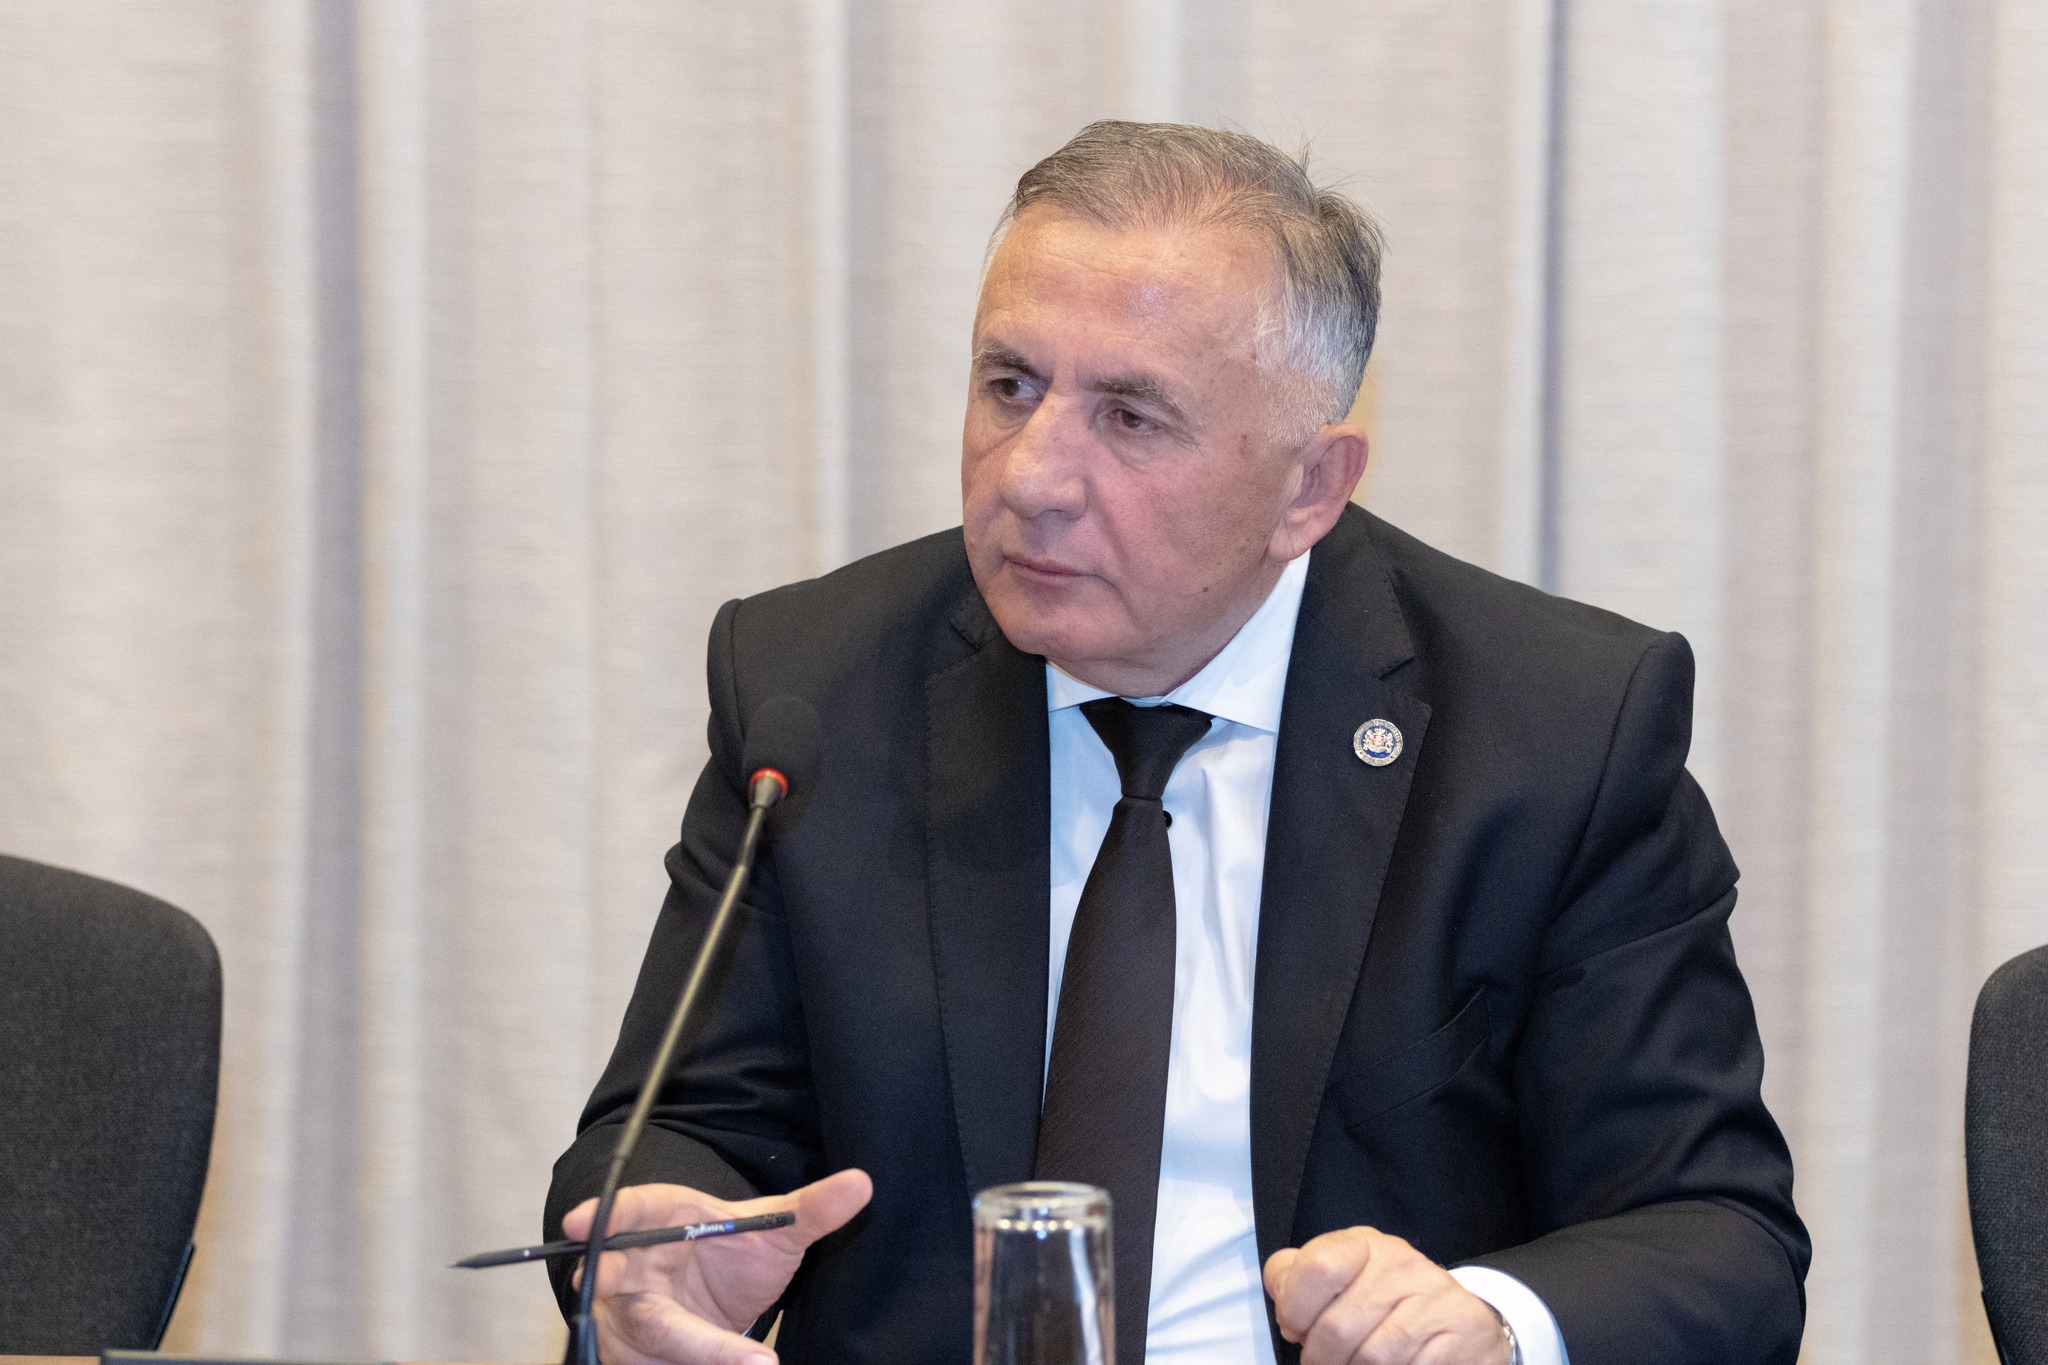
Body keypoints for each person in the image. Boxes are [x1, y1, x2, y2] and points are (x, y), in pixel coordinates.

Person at [546, 122, 1808, 1365]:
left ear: (1309, 487)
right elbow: (684, 1125)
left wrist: (1487, 1320)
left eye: (1131, 417)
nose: (1031, 476)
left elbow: (1712, 1233)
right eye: (1009, 386)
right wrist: (661, 1245)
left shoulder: (1552, 729)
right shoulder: (814, 692)